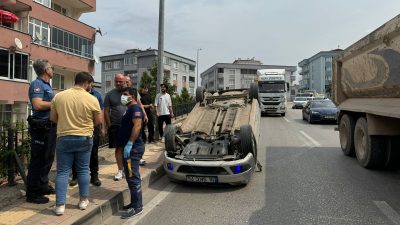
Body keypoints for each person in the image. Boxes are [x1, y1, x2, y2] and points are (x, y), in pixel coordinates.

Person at [50, 72, 101, 215]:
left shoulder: (58, 96)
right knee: (84, 169)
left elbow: (53, 119)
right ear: (86, 83)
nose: (90, 87)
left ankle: (60, 205)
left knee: (62, 172)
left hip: (64, 137)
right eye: (90, 84)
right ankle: (83, 201)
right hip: (84, 137)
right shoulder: (92, 99)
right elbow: (98, 122)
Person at [26, 59, 57, 204]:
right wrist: (57, 103)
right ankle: (32, 193)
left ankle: (43, 185)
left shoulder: (47, 85)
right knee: (38, 160)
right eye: (51, 67)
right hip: (40, 128)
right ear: (45, 70)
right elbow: (37, 105)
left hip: (49, 127)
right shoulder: (37, 84)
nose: (53, 69)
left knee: (48, 157)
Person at [118, 87, 145, 219]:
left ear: (132, 96)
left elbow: (138, 125)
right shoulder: (130, 109)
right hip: (129, 148)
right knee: (131, 176)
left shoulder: (135, 109)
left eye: (125, 94)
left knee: (133, 178)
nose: (122, 96)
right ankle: (134, 202)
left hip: (133, 149)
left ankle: (137, 207)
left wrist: (129, 143)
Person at [70, 87, 105, 187]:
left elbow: (100, 112)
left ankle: (94, 176)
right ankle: (75, 176)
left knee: (94, 152)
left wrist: (102, 128)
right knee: (76, 152)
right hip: (78, 127)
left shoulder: (97, 95)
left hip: (94, 127)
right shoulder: (75, 93)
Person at [104, 74, 127, 181]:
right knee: (118, 149)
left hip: (128, 126)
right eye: (116, 81)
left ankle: (129, 170)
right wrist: (109, 126)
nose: (118, 83)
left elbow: (136, 105)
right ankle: (120, 170)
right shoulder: (109, 95)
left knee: (129, 149)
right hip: (116, 126)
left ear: (124, 82)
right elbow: (106, 111)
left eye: (120, 81)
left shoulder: (129, 93)